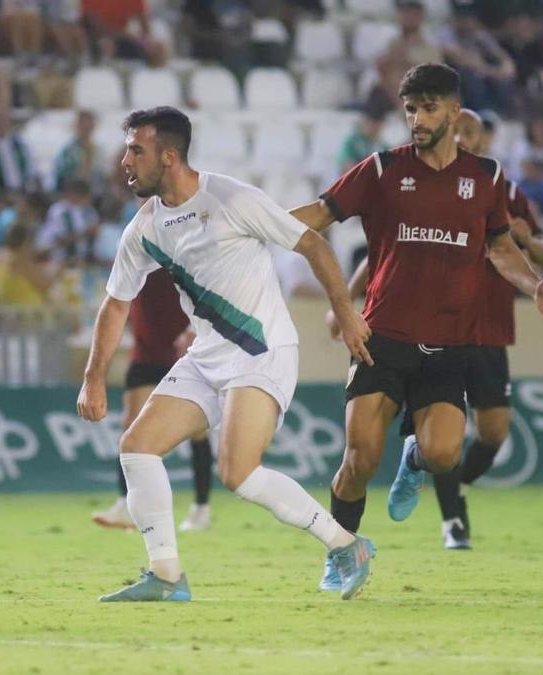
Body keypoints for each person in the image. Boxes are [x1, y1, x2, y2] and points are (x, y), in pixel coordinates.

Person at [289, 64, 543, 591]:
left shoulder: (486, 178)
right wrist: (251, 220)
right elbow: (320, 213)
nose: (416, 119)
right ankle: (341, 554)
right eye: (410, 110)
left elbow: (497, 247)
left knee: (443, 453)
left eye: (426, 109)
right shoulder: (380, 169)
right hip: (383, 338)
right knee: (357, 461)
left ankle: (413, 459)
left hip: (450, 345)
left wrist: (531, 282)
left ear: (452, 111)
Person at [77, 106, 375, 603]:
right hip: (207, 355)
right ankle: (167, 575)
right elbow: (115, 303)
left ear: (168, 156)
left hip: (262, 351)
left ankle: (347, 545)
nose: (124, 160)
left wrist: (345, 313)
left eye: (135, 150)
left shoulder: (231, 198)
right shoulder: (145, 227)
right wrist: (92, 378)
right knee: (136, 446)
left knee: (236, 472)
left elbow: (314, 245)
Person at [329, 109, 543, 550]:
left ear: (485, 139)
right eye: (463, 130)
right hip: (421, 327)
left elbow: (540, 254)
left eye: (475, 132)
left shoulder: (502, 188)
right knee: (380, 451)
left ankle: (427, 469)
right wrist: (346, 300)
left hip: (486, 329)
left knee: (489, 434)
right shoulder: (411, 178)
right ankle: (452, 521)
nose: (468, 138)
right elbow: (387, 250)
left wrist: (527, 243)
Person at [90, 268, 215, 533]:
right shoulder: (135, 249)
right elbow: (117, 301)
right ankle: (125, 502)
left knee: (198, 432)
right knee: (130, 427)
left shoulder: (178, 251)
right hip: (145, 353)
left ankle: (201, 507)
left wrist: (194, 329)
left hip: (186, 353)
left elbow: (208, 290)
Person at [0, 103, 35, 195]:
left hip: (22, 190)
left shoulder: (19, 144)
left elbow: (30, 167)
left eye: (3, 119)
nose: (0, 123)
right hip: (0, 192)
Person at [52, 110, 102, 195]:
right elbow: (61, 176)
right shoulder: (68, 151)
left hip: (95, 193)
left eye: (88, 128)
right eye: (83, 127)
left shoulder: (99, 150)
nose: (86, 131)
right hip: (72, 193)